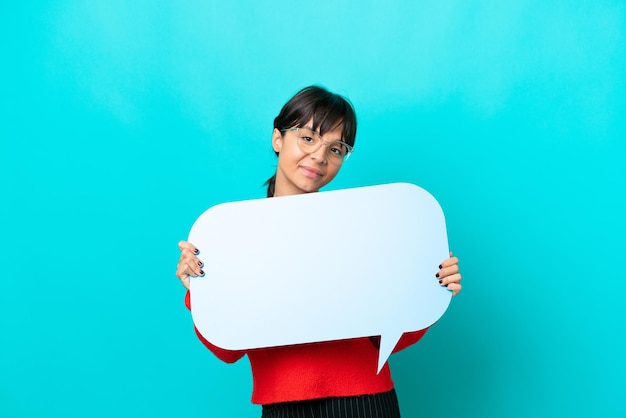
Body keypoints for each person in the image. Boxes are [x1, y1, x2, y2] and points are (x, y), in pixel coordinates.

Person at [176, 86, 462, 418]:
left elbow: (388, 339)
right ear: (278, 139)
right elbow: (226, 350)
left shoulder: (362, 230)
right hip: (282, 405)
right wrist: (198, 289)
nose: (320, 157)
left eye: (336, 148)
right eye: (308, 138)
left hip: (367, 402)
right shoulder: (233, 236)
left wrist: (429, 287)